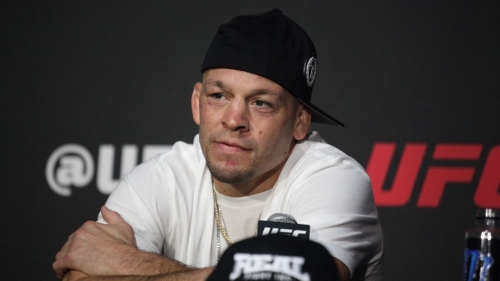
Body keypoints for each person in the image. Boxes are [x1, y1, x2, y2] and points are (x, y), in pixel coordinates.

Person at [53, 9, 383, 281]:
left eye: (261, 103)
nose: (233, 119)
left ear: (300, 122)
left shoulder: (332, 179)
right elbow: (79, 276)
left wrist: (125, 263)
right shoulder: (161, 178)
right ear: (197, 102)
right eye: (219, 96)